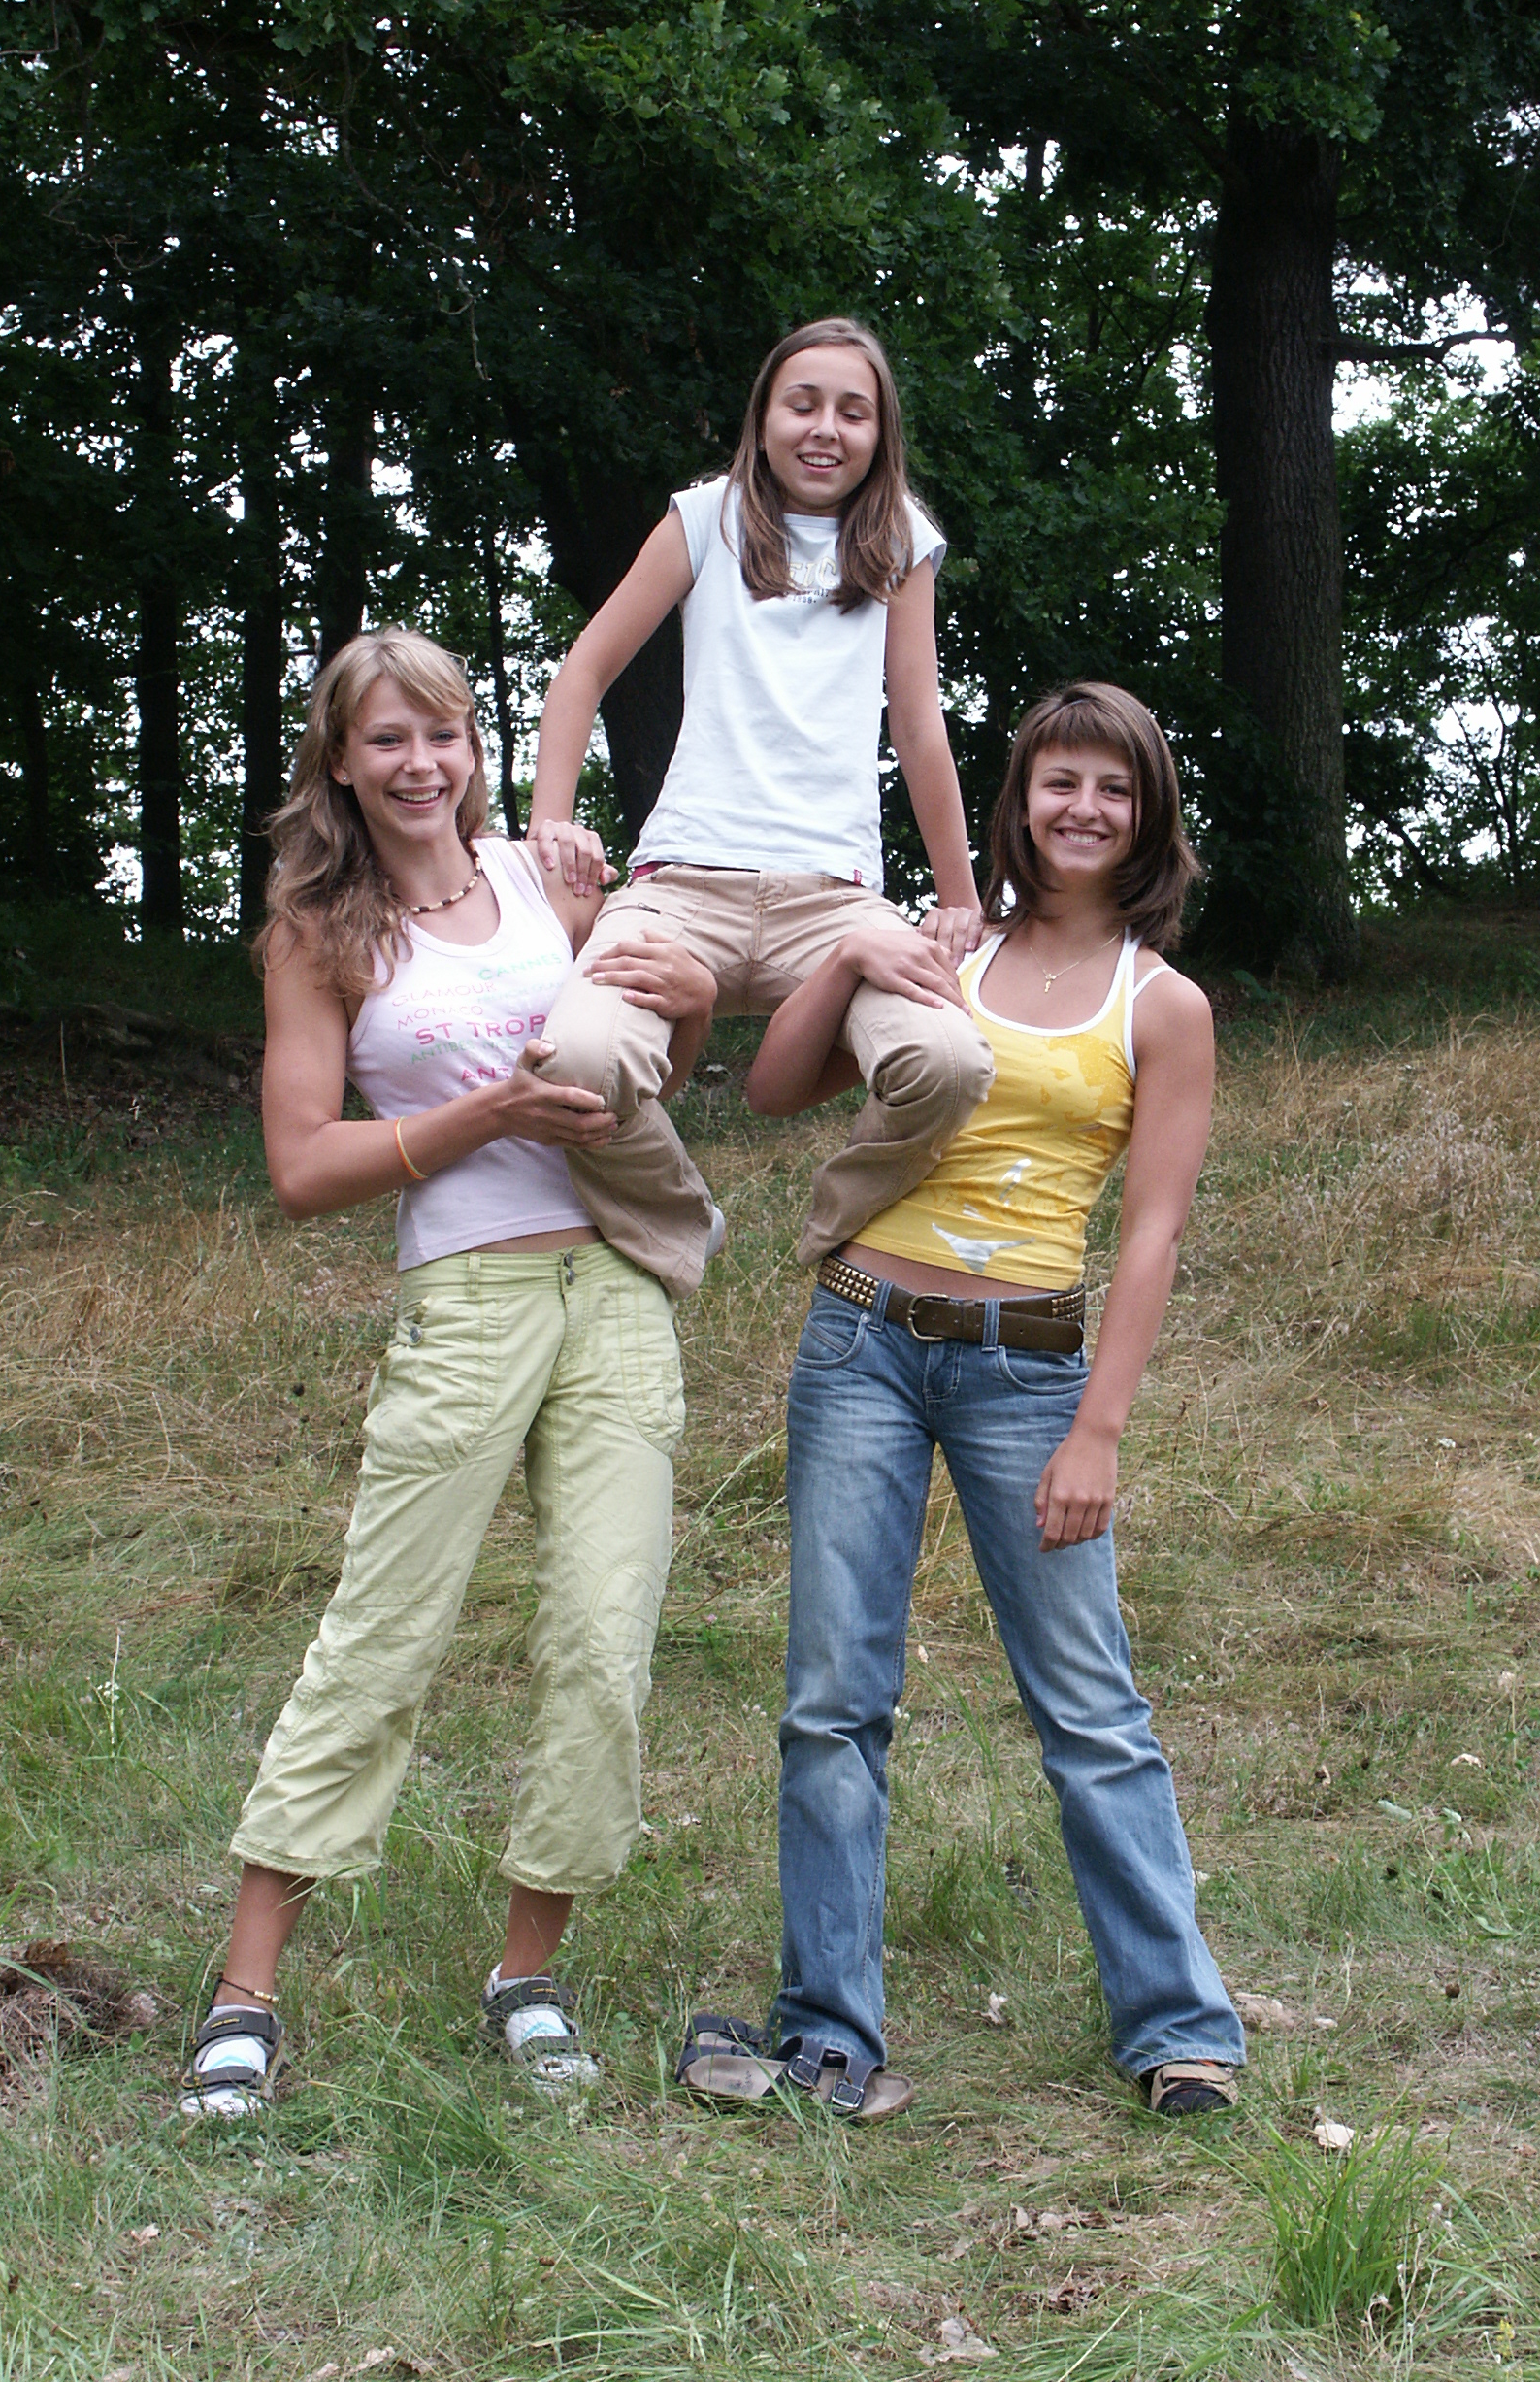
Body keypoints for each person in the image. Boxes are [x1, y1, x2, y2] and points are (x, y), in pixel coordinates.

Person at [676, 683, 1246, 2122]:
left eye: (1114, 789)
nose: (1084, 810)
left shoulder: (1162, 1005)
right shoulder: (949, 952)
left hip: (1028, 1369)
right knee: (833, 1700)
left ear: (1149, 815)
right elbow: (774, 1087)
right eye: (1061, 782)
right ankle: (829, 2033)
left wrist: (1098, 1429)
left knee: (1090, 1705)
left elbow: (1153, 1233)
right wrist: (852, 949)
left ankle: (1180, 2028)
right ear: (1020, 799)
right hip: (861, 1343)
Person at [180, 629, 717, 2118]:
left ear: (477, 749)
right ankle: (244, 1997)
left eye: (446, 735)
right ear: (341, 763)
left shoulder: (549, 884)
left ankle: (526, 1975)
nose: (422, 765)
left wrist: (692, 1003)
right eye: (389, 740)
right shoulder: (318, 933)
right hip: (468, 1300)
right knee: (383, 1634)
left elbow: (647, 1068)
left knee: (603, 1642)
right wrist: (484, 1117)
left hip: (613, 1289)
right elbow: (303, 1167)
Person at [522, 316, 996, 1294]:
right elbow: (586, 669)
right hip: (680, 890)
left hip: (836, 904)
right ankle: (682, 1223)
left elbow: (919, 727)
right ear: (764, 417)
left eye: (853, 412)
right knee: (573, 1062)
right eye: (802, 404)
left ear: (880, 433)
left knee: (951, 1063)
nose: (825, 428)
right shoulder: (707, 518)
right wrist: (550, 820)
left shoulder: (901, 540)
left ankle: (835, 1224)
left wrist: (959, 895)